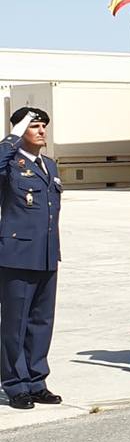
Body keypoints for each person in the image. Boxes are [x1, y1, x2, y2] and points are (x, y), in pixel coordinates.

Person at [0, 108, 62, 409]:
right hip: (17, 255)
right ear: (20, 131)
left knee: (41, 321)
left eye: (43, 126)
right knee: (15, 322)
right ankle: (15, 385)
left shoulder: (49, 165)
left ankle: (37, 381)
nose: (41, 131)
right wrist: (11, 137)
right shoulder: (11, 162)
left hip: (47, 253)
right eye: (33, 126)